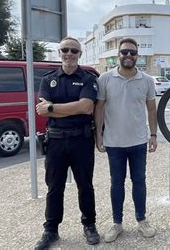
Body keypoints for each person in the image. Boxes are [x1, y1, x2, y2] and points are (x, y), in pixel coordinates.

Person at [34, 37, 100, 249]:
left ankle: (89, 224)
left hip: (82, 140)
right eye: (65, 50)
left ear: (80, 54)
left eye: (74, 50)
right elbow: (42, 110)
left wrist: (54, 108)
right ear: (59, 52)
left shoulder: (88, 79)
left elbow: (87, 107)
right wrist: (72, 107)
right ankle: (51, 230)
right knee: (54, 188)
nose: (69, 53)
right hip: (55, 141)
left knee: (85, 186)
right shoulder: (48, 80)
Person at [94, 37, 158, 243]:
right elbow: (99, 108)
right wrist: (99, 134)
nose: (128, 56)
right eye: (124, 52)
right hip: (114, 143)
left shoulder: (147, 80)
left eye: (132, 52)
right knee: (116, 184)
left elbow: (151, 109)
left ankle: (141, 220)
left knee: (139, 181)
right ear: (118, 55)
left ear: (137, 56)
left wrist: (154, 135)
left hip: (139, 142)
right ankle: (117, 223)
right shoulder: (105, 79)